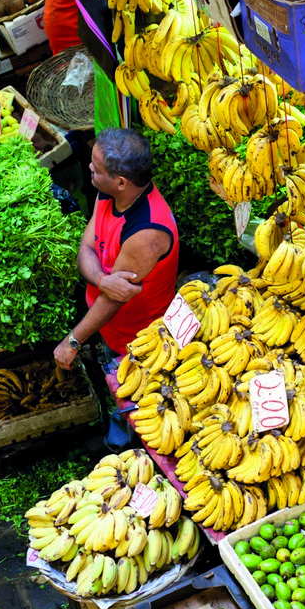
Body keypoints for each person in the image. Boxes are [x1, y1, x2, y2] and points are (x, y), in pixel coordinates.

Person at [54, 128, 179, 449]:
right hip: (110, 329)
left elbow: (114, 299)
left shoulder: (147, 231)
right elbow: (86, 248)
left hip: (137, 341)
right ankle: (119, 435)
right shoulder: (107, 195)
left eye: (96, 167)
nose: (90, 170)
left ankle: (128, 450)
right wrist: (101, 279)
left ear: (122, 180)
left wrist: (73, 340)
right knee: (117, 391)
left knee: (138, 405)